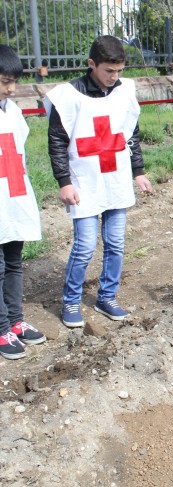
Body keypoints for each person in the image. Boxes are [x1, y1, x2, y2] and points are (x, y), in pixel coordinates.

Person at [44, 35, 154, 328]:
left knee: (116, 243)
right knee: (84, 246)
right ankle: (70, 300)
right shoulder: (67, 97)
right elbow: (56, 141)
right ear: (91, 64)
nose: (115, 77)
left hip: (115, 179)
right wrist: (64, 181)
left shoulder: (124, 90)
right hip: (84, 182)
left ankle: (107, 296)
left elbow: (130, 133)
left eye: (119, 71)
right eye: (109, 71)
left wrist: (138, 171)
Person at [0, 45, 47, 359]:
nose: (12, 88)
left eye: (14, 81)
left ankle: (15, 321)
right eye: (5, 81)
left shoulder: (12, 110)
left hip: (13, 196)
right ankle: (1, 327)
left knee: (15, 263)